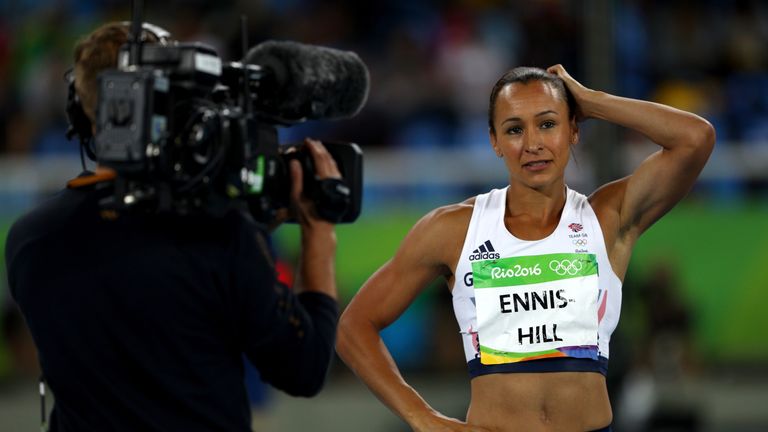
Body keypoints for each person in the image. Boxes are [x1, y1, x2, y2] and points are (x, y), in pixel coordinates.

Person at [336, 65, 715, 431]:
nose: (533, 144)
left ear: (573, 131)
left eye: (548, 124)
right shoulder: (454, 229)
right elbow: (354, 328)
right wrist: (424, 419)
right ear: (494, 141)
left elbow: (694, 138)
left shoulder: (607, 218)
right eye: (515, 129)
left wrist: (591, 100)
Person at [5, 22, 342, 431]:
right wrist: (318, 229)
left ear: (82, 111)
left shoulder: (29, 239)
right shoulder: (221, 233)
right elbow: (303, 369)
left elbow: (132, 280)